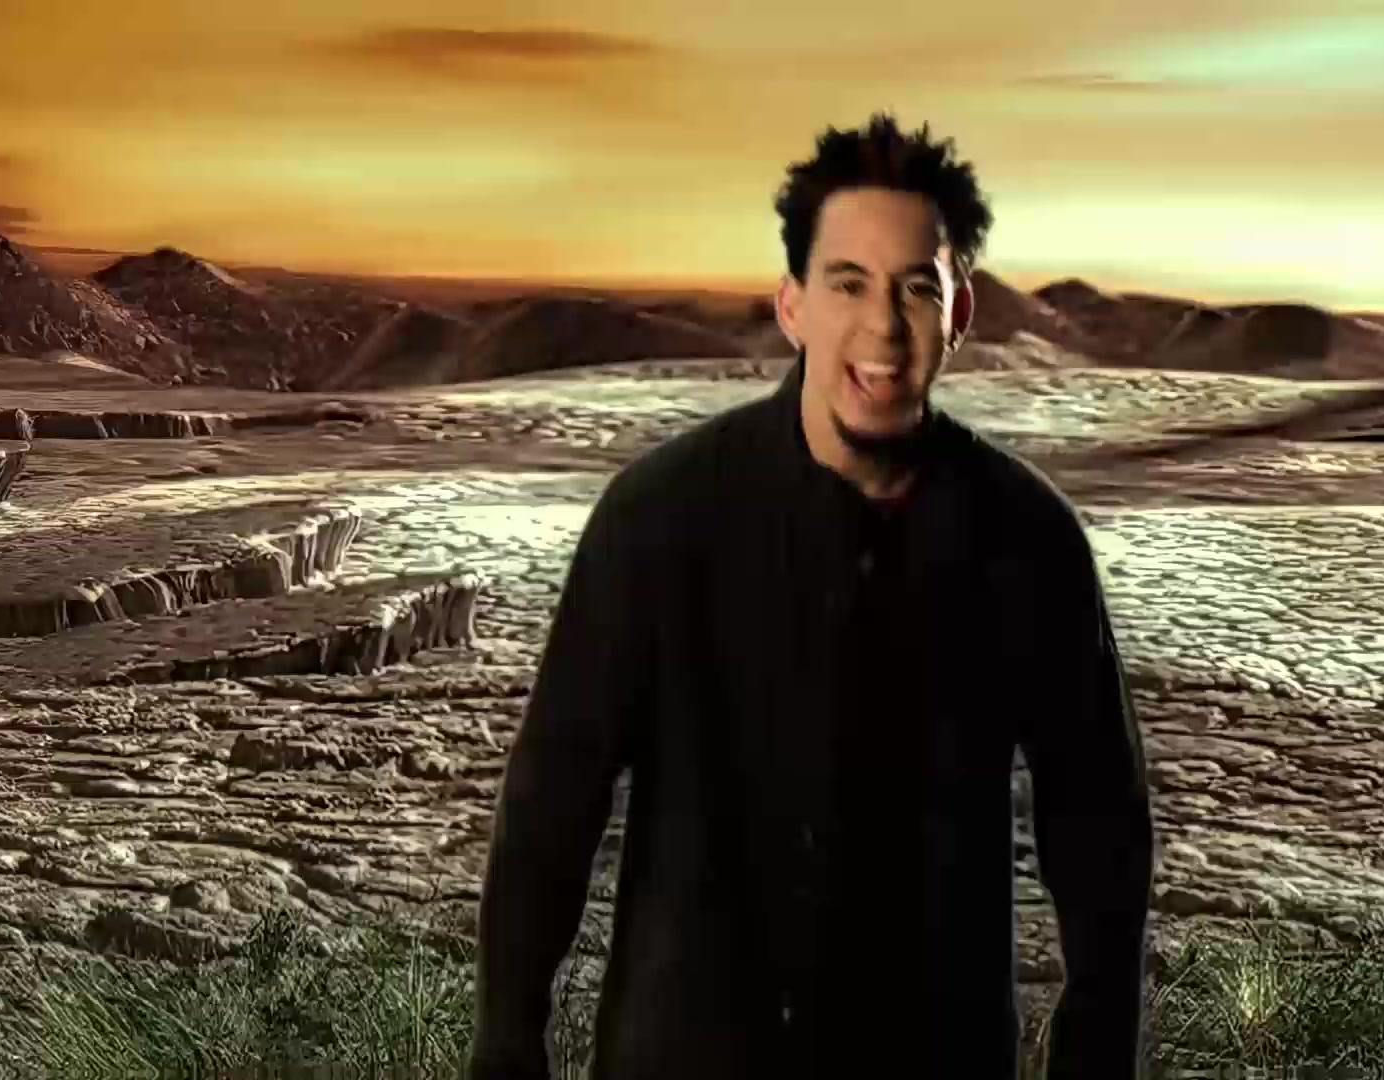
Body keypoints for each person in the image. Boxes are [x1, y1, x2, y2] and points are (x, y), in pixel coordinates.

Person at [465, 113, 1154, 1080]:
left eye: (917, 287)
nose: (883, 327)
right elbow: (552, 804)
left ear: (958, 313)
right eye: (848, 283)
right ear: (792, 306)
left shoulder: (1029, 542)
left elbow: (1099, 830)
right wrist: (505, 1050)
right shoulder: (659, 518)